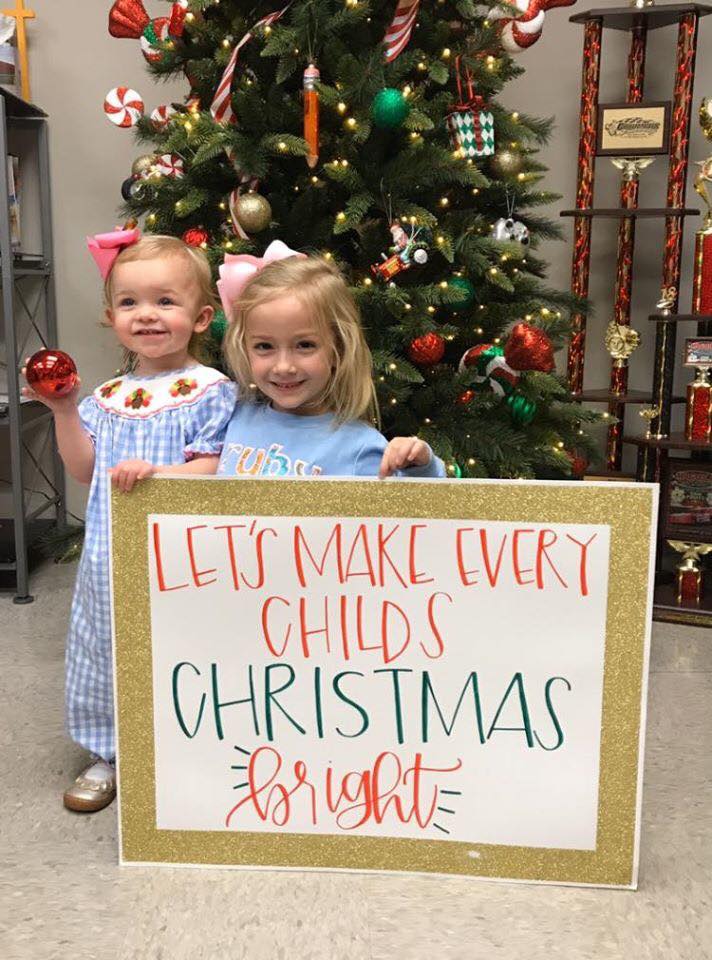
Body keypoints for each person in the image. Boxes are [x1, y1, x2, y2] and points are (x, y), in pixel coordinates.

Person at [22, 230, 236, 812]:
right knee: (105, 646)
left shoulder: (211, 391)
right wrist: (64, 410)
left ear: (200, 317)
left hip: (182, 558)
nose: (146, 314)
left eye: (165, 301)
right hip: (110, 554)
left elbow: (216, 467)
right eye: (129, 302)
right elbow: (84, 470)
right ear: (111, 316)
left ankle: (187, 749)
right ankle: (109, 751)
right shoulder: (108, 397)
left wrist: (160, 473)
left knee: (183, 644)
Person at [110, 241, 445, 489]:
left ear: (338, 348)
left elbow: (419, 518)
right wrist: (155, 476)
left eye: (305, 345)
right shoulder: (231, 417)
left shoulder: (360, 447)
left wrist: (420, 464)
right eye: (265, 347)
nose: (284, 366)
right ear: (244, 348)